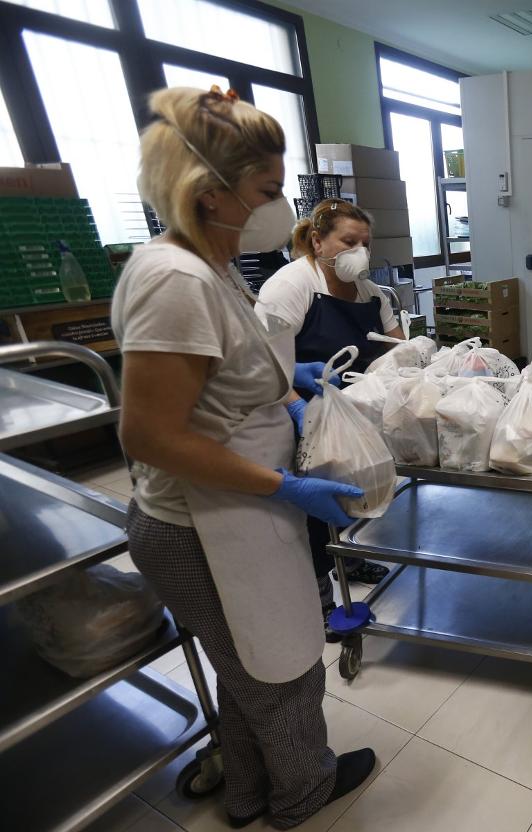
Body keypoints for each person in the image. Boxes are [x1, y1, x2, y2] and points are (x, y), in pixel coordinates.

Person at [112, 86, 376, 829]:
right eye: (265, 190)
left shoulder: (215, 265)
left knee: (249, 664)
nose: (278, 208)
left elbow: (214, 374)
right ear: (208, 191)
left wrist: (284, 379)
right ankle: (302, 795)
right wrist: (285, 486)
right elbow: (151, 435)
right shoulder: (174, 279)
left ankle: (250, 794)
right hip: (196, 523)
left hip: (232, 509)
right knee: (279, 673)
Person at [257, 200, 399, 630]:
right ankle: (319, 598)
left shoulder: (373, 295)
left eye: (366, 244)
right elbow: (262, 362)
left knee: (354, 493)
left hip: (353, 416)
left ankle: (350, 561)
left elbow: (398, 349)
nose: (360, 253)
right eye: (349, 242)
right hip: (295, 412)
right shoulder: (292, 286)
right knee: (314, 512)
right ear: (318, 242)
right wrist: (297, 405)